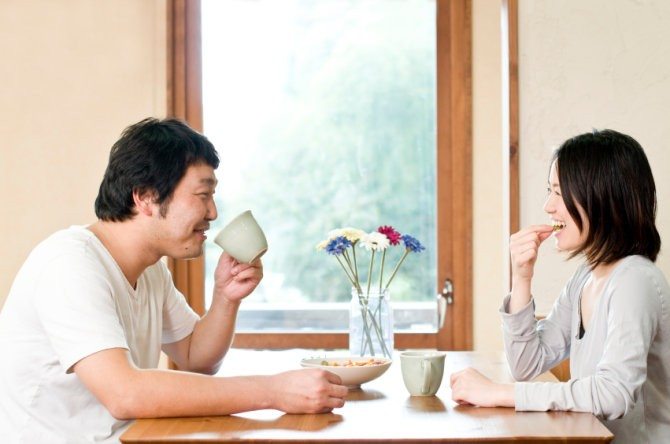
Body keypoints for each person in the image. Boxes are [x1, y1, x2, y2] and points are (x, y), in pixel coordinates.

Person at [0, 118, 348, 443]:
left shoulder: (151, 270)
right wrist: (273, 391)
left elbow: (196, 358)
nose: (213, 212)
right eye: (203, 195)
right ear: (146, 197)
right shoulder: (69, 264)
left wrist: (225, 298)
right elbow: (125, 394)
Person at [450, 129, 670, 443]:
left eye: (559, 192)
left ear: (602, 198)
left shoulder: (635, 280)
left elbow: (613, 395)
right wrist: (521, 278)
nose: (548, 206)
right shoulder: (585, 277)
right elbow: (527, 364)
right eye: (549, 191)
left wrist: (498, 393)